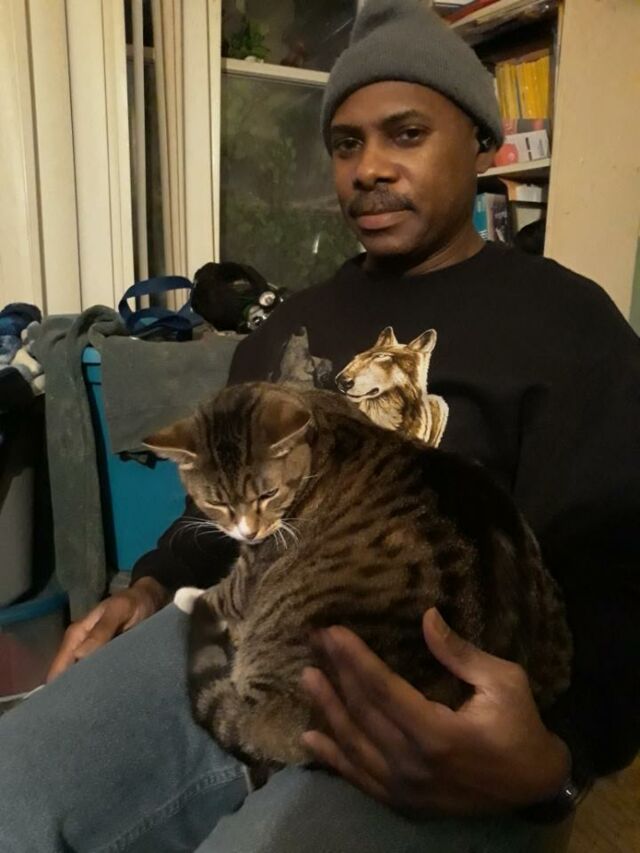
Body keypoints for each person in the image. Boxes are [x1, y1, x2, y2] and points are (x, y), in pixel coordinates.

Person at [2, 1, 639, 850]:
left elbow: (617, 585)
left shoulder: (571, 327)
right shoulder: (286, 324)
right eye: (346, 144)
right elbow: (223, 505)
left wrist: (555, 766)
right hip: (252, 623)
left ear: (482, 142)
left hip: (436, 701)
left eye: (405, 134)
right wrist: (148, 585)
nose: (368, 168)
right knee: (17, 780)